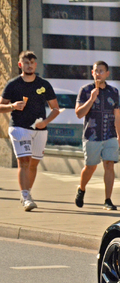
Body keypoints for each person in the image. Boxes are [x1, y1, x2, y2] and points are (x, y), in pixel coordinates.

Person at [0, 50, 60, 211]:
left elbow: (55, 108)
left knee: (33, 164)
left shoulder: (43, 84)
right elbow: (0, 106)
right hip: (19, 128)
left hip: (40, 129)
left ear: (35, 64)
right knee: (24, 161)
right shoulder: (13, 84)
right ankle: (25, 196)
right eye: (26, 62)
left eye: (32, 62)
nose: (30, 65)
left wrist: (45, 122)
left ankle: (27, 193)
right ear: (20, 65)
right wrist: (12, 106)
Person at [74, 60, 120, 211]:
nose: (98, 73)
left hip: (109, 135)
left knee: (109, 165)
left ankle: (108, 200)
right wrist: (91, 99)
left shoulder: (113, 92)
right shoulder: (86, 90)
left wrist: (119, 136)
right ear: (92, 73)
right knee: (90, 167)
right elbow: (78, 114)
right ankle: (81, 189)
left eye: (101, 71)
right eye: (96, 71)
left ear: (107, 73)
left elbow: (117, 114)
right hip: (92, 135)